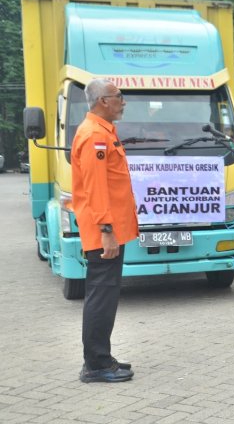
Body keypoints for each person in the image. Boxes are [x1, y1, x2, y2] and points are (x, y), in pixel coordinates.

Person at [72, 78, 139, 383]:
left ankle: (101, 356)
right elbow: (96, 189)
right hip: (103, 233)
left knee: (106, 294)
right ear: (103, 101)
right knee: (101, 295)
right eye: (118, 96)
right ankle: (96, 364)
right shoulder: (94, 137)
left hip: (109, 229)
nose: (123, 101)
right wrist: (107, 230)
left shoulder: (103, 132)